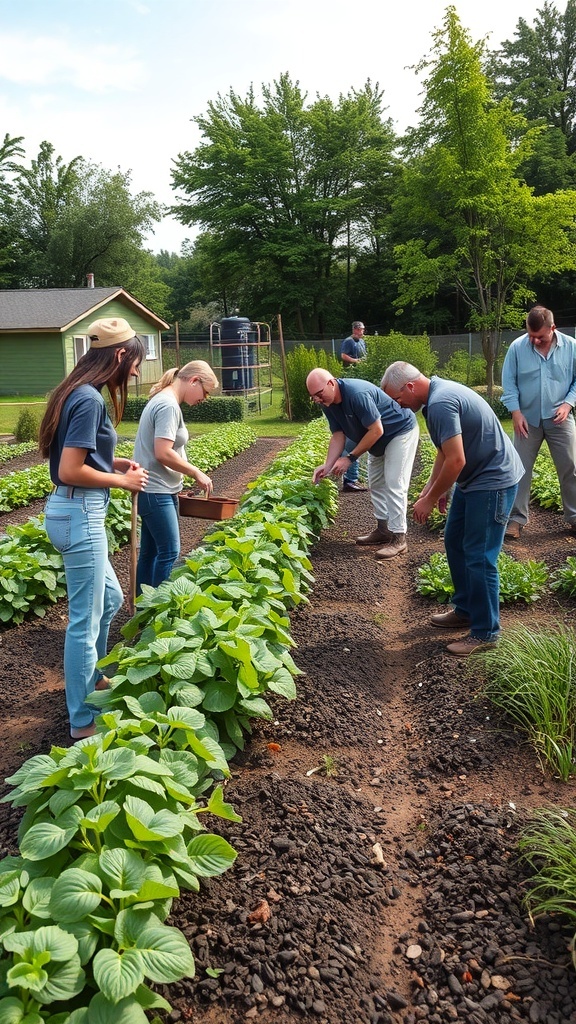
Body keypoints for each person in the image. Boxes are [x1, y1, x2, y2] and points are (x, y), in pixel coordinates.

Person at [39, 317, 149, 739]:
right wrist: (122, 481)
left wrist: (113, 463)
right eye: (135, 361)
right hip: (79, 511)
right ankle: (82, 719)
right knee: (84, 621)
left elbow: (77, 457)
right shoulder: (89, 399)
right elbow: (69, 469)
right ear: (119, 354)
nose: (136, 371)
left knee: (111, 595)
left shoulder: (77, 391)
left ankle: (95, 679)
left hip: (73, 510)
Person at [382, 361, 524, 657]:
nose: (400, 405)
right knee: (454, 540)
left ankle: (486, 632)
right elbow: (444, 452)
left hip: (492, 480)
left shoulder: (441, 402)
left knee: (479, 556)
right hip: (473, 479)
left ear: (409, 386)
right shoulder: (435, 398)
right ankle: (466, 609)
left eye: (397, 399)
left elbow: (456, 460)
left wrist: (430, 498)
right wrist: (437, 486)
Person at [307, 368, 419, 558]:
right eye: (313, 396)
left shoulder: (356, 394)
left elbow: (376, 430)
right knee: (375, 484)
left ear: (331, 383)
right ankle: (383, 530)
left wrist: (350, 458)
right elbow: (338, 435)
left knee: (394, 483)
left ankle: (399, 539)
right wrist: (327, 465)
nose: (317, 399)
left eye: (319, 394)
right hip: (377, 440)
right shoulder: (328, 403)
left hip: (399, 432)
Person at [134, 360, 218, 593]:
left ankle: (143, 606)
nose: (205, 398)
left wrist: (178, 480)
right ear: (194, 381)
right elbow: (162, 452)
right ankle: (160, 609)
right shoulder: (168, 405)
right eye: (206, 391)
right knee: (169, 551)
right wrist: (195, 472)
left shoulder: (162, 400)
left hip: (156, 489)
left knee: (151, 552)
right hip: (155, 490)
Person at [501, 305, 576, 539]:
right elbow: (509, 383)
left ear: (553, 328)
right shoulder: (516, 348)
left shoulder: (572, 347)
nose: (533, 340)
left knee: (571, 468)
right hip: (527, 421)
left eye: (539, 336)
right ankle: (515, 520)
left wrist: (568, 404)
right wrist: (515, 412)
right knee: (519, 470)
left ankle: (574, 518)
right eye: (530, 335)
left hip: (560, 419)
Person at [340, 321, 368, 492]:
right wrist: (356, 362)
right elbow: (343, 356)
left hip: (360, 380)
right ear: (355, 329)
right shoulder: (349, 341)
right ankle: (349, 479)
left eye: (364, 330)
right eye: (361, 329)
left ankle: (351, 477)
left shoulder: (362, 342)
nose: (363, 332)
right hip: (352, 375)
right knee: (352, 442)